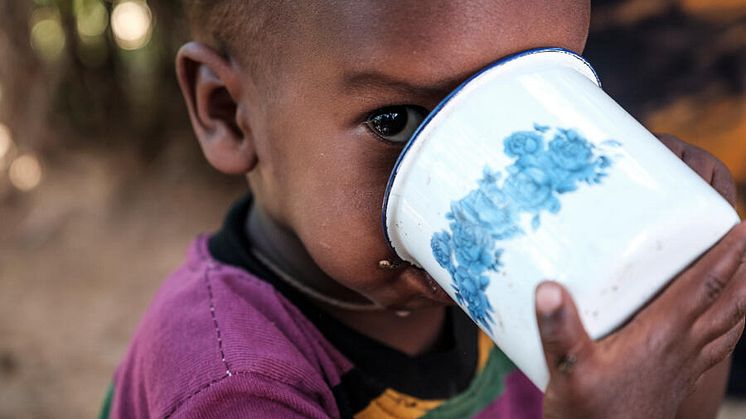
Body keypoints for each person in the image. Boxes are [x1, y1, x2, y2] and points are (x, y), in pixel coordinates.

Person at [101, 1, 745, 418]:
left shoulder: (542, 270)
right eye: (395, 120)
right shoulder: (232, 382)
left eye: (544, 88)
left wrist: (693, 290)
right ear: (228, 114)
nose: (501, 182)